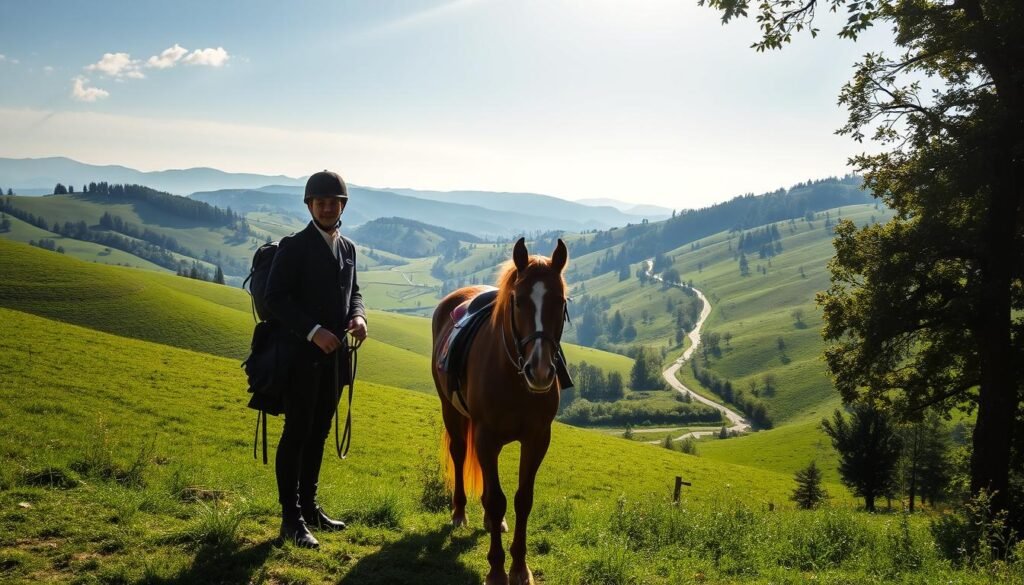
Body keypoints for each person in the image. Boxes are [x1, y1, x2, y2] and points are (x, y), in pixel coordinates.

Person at [264, 169, 368, 549]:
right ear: (309, 205)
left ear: (342, 206)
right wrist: (313, 331)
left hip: (335, 362)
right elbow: (275, 298)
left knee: (319, 432)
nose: (327, 207)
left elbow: (354, 292)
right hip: (298, 360)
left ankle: (309, 508)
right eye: (320, 202)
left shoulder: (348, 248)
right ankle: (290, 518)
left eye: (333, 202)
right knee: (297, 433)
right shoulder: (294, 246)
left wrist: (358, 316)